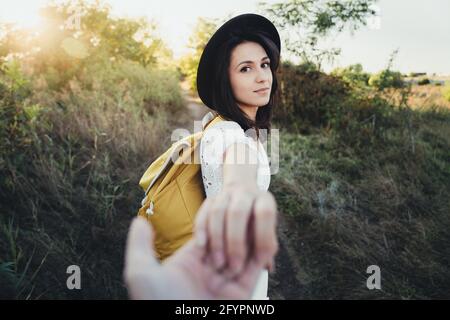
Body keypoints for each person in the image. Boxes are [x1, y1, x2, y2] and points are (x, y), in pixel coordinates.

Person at [195, 13, 281, 299]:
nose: (261, 76)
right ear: (225, 79)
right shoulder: (228, 134)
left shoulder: (231, 127)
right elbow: (238, 171)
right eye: (245, 69)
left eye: (265, 64)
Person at [124, 192, 276, 299]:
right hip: (234, 260)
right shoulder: (239, 150)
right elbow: (237, 171)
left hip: (230, 262)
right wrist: (241, 187)